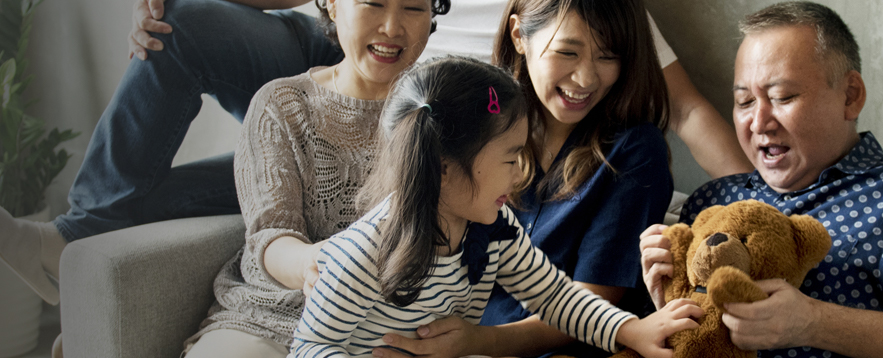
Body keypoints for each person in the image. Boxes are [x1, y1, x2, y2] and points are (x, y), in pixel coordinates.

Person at [0, 0, 749, 305]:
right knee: (185, 23)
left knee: (269, 176)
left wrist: (769, 199)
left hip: (382, 129)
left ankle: (68, 251)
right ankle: (70, 236)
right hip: (325, 53)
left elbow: (680, 104)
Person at [637, 1, 883, 358]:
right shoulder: (712, 201)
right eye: (744, 101)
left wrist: (814, 323)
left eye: (783, 97)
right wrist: (669, 303)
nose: (758, 121)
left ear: (850, 96)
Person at [373, 0, 691, 358]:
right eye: (567, 51)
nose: (586, 77)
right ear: (519, 35)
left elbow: (593, 304)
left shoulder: (634, 152)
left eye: (608, 56)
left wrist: (474, 343)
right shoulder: (481, 119)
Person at [292, 57, 702, 358]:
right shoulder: (366, 252)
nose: (519, 175)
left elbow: (555, 296)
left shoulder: (493, 228)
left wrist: (631, 331)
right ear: (443, 170)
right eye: (510, 160)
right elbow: (310, 346)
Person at [176, 0, 453, 358]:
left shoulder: (443, 107)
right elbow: (270, 235)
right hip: (271, 317)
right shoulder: (282, 105)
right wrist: (313, 264)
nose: (392, 27)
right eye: (374, 3)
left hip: (389, 330)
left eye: (414, 7)